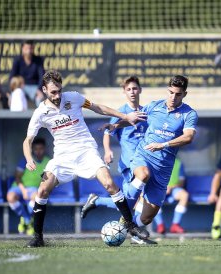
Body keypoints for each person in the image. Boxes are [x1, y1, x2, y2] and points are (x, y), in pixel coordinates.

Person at [23, 70, 148, 247]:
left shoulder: (73, 97)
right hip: (62, 157)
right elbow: (28, 140)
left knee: (110, 184)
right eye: (53, 92)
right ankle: (38, 237)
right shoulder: (40, 113)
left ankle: (131, 225)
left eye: (59, 90)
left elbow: (98, 107)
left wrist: (125, 116)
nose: (58, 95)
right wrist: (29, 158)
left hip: (86, 151)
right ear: (44, 89)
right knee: (42, 190)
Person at [117, 75, 197, 242]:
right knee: (143, 175)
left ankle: (127, 230)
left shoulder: (188, 114)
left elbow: (188, 137)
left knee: (147, 218)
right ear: (167, 90)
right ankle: (118, 217)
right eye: (170, 92)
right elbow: (133, 118)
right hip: (143, 157)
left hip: (163, 169)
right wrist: (114, 125)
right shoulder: (154, 106)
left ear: (185, 94)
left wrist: (164, 144)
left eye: (178, 94)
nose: (173, 97)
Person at [80, 76, 147, 215]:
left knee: (128, 203)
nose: (132, 92)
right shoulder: (121, 112)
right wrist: (107, 150)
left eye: (135, 88)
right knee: (134, 201)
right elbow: (107, 131)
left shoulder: (146, 111)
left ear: (140, 90)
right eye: (129, 89)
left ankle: (97, 201)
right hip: (131, 162)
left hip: (145, 160)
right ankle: (99, 202)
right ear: (124, 92)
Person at [7, 137, 49, 235]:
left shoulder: (48, 162)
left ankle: (25, 220)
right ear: (32, 149)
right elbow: (17, 177)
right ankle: (27, 220)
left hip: (34, 189)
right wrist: (23, 191)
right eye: (36, 149)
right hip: (19, 187)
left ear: (45, 149)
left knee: (37, 198)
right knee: (10, 197)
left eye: (41, 149)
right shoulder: (26, 160)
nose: (38, 151)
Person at [153, 158, 189, 234]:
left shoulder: (178, 163)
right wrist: (163, 188)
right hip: (160, 189)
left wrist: (171, 187)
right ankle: (160, 225)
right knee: (152, 197)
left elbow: (181, 182)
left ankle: (175, 225)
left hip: (174, 189)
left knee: (184, 195)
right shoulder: (156, 161)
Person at [9, 40, 45, 106]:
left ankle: (40, 116)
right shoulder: (17, 60)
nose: (28, 51)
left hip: (35, 87)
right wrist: (12, 90)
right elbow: (12, 77)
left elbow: (42, 76)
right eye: (26, 48)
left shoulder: (38, 60)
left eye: (30, 48)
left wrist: (39, 89)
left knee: (40, 98)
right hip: (20, 87)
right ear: (22, 49)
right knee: (15, 96)